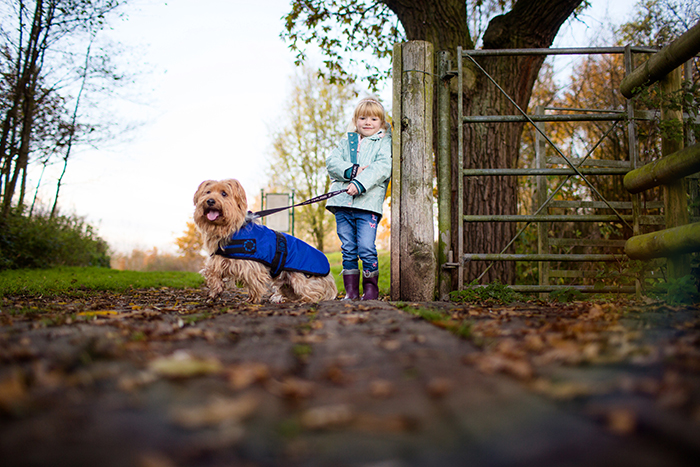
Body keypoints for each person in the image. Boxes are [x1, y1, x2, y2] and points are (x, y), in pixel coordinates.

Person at [326, 98, 392, 300]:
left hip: (367, 206)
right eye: (363, 118)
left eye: (374, 118)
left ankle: (371, 290)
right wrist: (352, 171)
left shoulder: (384, 142)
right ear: (356, 120)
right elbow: (332, 162)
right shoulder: (347, 141)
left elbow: (381, 168)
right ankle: (351, 292)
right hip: (342, 204)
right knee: (348, 248)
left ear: (381, 122)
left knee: (366, 247)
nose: (368, 122)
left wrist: (360, 182)